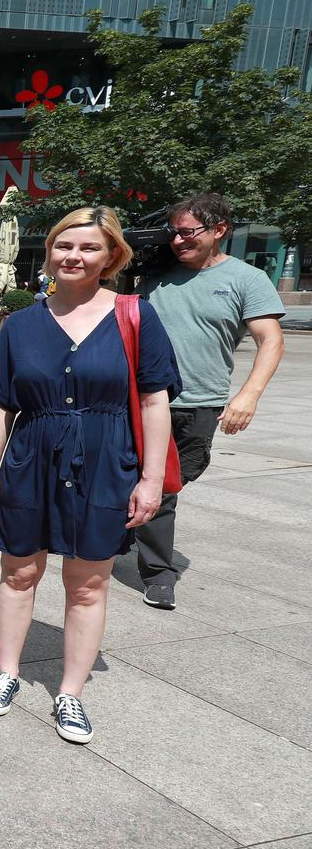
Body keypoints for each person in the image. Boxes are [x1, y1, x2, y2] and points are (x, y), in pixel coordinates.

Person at [0, 206, 180, 744]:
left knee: (88, 583)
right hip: (31, 460)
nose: (74, 256)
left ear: (111, 256)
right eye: (64, 246)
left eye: (89, 247)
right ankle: (6, 673)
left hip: (106, 463)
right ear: (50, 253)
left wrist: (150, 480)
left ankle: (70, 692)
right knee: (18, 572)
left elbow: (154, 401)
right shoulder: (21, 324)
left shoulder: (136, 316)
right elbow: (0, 405)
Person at [134, 193, 285, 610]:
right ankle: (159, 574)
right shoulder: (152, 275)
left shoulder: (247, 278)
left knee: (175, 477)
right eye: (173, 233)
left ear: (219, 230)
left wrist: (248, 395)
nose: (178, 241)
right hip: (145, 400)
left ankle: (131, 528)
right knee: (159, 485)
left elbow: (271, 340)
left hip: (201, 402)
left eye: (188, 233)